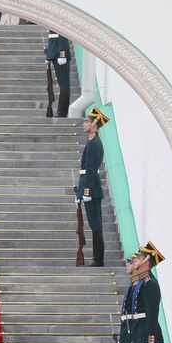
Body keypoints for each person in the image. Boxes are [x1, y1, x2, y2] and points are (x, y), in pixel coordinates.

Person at [75, 105, 109, 267]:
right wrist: (79, 193)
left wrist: (86, 191)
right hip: (88, 188)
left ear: (94, 125)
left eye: (87, 122)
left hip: (93, 190)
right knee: (93, 224)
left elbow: (91, 170)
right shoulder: (91, 142)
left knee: (96, 226)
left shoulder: (95, 144)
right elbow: (85, 171)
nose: (84, 124)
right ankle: (97, 258)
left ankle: (98, 259)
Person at [45, 30, 71, 117]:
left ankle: (62, 112)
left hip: (59, 56)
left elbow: (63, 36)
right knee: (63, 85)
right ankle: (61, 111)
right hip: (54, 54)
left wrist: (62, 55)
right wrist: (48, 54)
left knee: (64, 85)